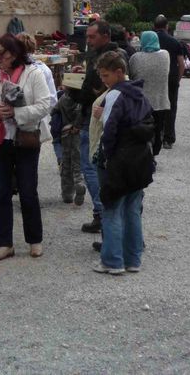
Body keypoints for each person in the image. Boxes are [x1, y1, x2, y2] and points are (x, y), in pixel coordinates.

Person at [0, 34, 50, 261]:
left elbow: (45, 104)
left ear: (15, 54)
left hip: (25, 139)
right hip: (0, 141)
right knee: (1, 193)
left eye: (3, 53)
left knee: (28, 192)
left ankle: (34, 240)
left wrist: (17, 113)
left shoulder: (33, 74)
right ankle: (5, 243)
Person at [93, 51, 154, 275]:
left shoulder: (114, 96)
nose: (103, 80)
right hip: (140, 158)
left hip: (119, 159)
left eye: (106, 75)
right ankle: (133, 259)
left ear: (119, 72)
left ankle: (112, 261)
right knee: (132, 211)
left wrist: (106, 156)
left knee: (111, 209)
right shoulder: (140, 93)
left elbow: (109, 131)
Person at [77, 20, 121, 234]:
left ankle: (101, 213)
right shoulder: (102, 55)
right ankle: (103, 214)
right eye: (87, 36)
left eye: (92, 36)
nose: (88, 40)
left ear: (105, 36)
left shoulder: (106, 59)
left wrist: (70, 89)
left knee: (91, 165)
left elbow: (89, 92)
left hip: (94, 119)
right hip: (94, 116)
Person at [128, 31, 170, 157]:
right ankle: (154, 154)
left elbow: (131, 76)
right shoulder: (165, 55)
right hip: (160, 101)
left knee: (142, 131)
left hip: (140, 102)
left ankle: (144, 154)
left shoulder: (135, 58)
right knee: (158, 130)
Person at [50, 85, 85, 204]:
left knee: (66, 164)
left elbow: (53, 111)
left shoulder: (63, 99)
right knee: (77, 162)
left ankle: (67, 194)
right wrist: (77, 125)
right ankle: (79, 182)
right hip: (78, 135)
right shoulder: (82, 100)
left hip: (65, 134)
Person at [154, 15, 185, 149]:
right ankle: (168, 138)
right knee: (171, 107)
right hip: (171, 77)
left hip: (155, 77)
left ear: (154, 26)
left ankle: (155, 135)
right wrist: (177, 79)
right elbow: (181, 64)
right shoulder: (174, 42)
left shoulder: (151, 40)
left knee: (155, 105)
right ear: (167, 26)